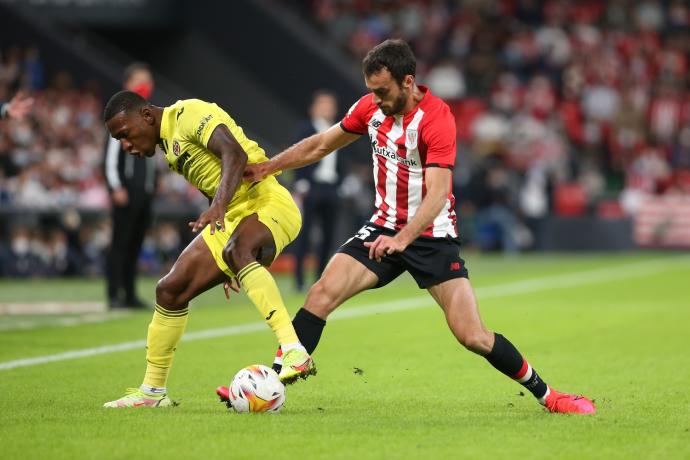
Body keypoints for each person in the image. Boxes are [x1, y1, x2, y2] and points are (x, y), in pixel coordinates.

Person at [220, 39, 595, 414]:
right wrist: (270, 167)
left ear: (408, 81)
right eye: (371, 91)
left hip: (432, 236)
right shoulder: (370, 108)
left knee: (473, 336)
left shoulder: (437, 119)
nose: (376, 99)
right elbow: (320, 145)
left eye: (383, 91)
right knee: (320, 295)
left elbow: (438, 194)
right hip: (382, 228)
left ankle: (549, 396)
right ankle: (266, 386)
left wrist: (403, 238)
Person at [101, 90, 315, 408]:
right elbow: (216, 179)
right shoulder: (169, 147)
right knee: (169, 291)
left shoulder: (188, 114)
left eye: (125, 134)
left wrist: (218, 208)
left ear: (146, 116)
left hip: (267, 200)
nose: (126, 145)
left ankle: (293, 349)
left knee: (237, 249)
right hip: (231, 216)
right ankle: (152, 393)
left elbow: (235, 154)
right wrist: (230, 260)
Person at [103, 63, 157, 309]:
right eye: (141, 80)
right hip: (127, 191)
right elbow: (111, 157)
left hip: (144, 192)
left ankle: (131, 294)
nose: (147, 84)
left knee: (135, 244)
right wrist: (116, 187)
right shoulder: (121, 115)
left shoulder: (145, 115)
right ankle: (114, 295)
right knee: (120, 244)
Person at [292, 90, 343, 291]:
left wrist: (342, 182)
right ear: (313, 108)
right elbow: (296, 154)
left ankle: (321, 278)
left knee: (329, 235)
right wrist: (301, 182)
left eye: (330, 104)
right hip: (311, 187)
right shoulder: (305, 128)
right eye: (323, 104)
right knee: (304, 234)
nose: (327, 108)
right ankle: (299, 281)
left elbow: (343, 160)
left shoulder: (340, 129)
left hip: (331, 188)